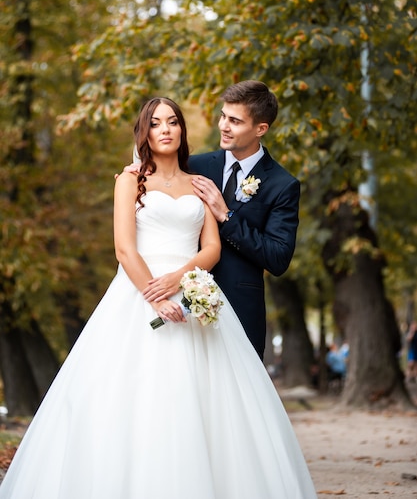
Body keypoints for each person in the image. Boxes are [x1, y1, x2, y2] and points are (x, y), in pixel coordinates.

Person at [0, 97, 317, 499]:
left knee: (211, 404)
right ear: (144, 132)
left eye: (172, 122)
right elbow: (124, 249)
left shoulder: (202, 183)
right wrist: (155, 295)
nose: (165, 129)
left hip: (191, 291)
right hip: (138, 295)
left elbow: (212, 249)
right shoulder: (130, 180)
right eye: (155, 123)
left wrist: (179, 280)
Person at [138, 80, 300, 359]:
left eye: (235, 121)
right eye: (223, 116)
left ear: (260, 129)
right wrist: (135, 174)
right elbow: (157, 173)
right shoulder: (194, 165)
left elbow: (278, 257)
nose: (224, 126)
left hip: (238, 307)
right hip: (179, 301)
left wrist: (226, 216)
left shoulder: (282, 185)